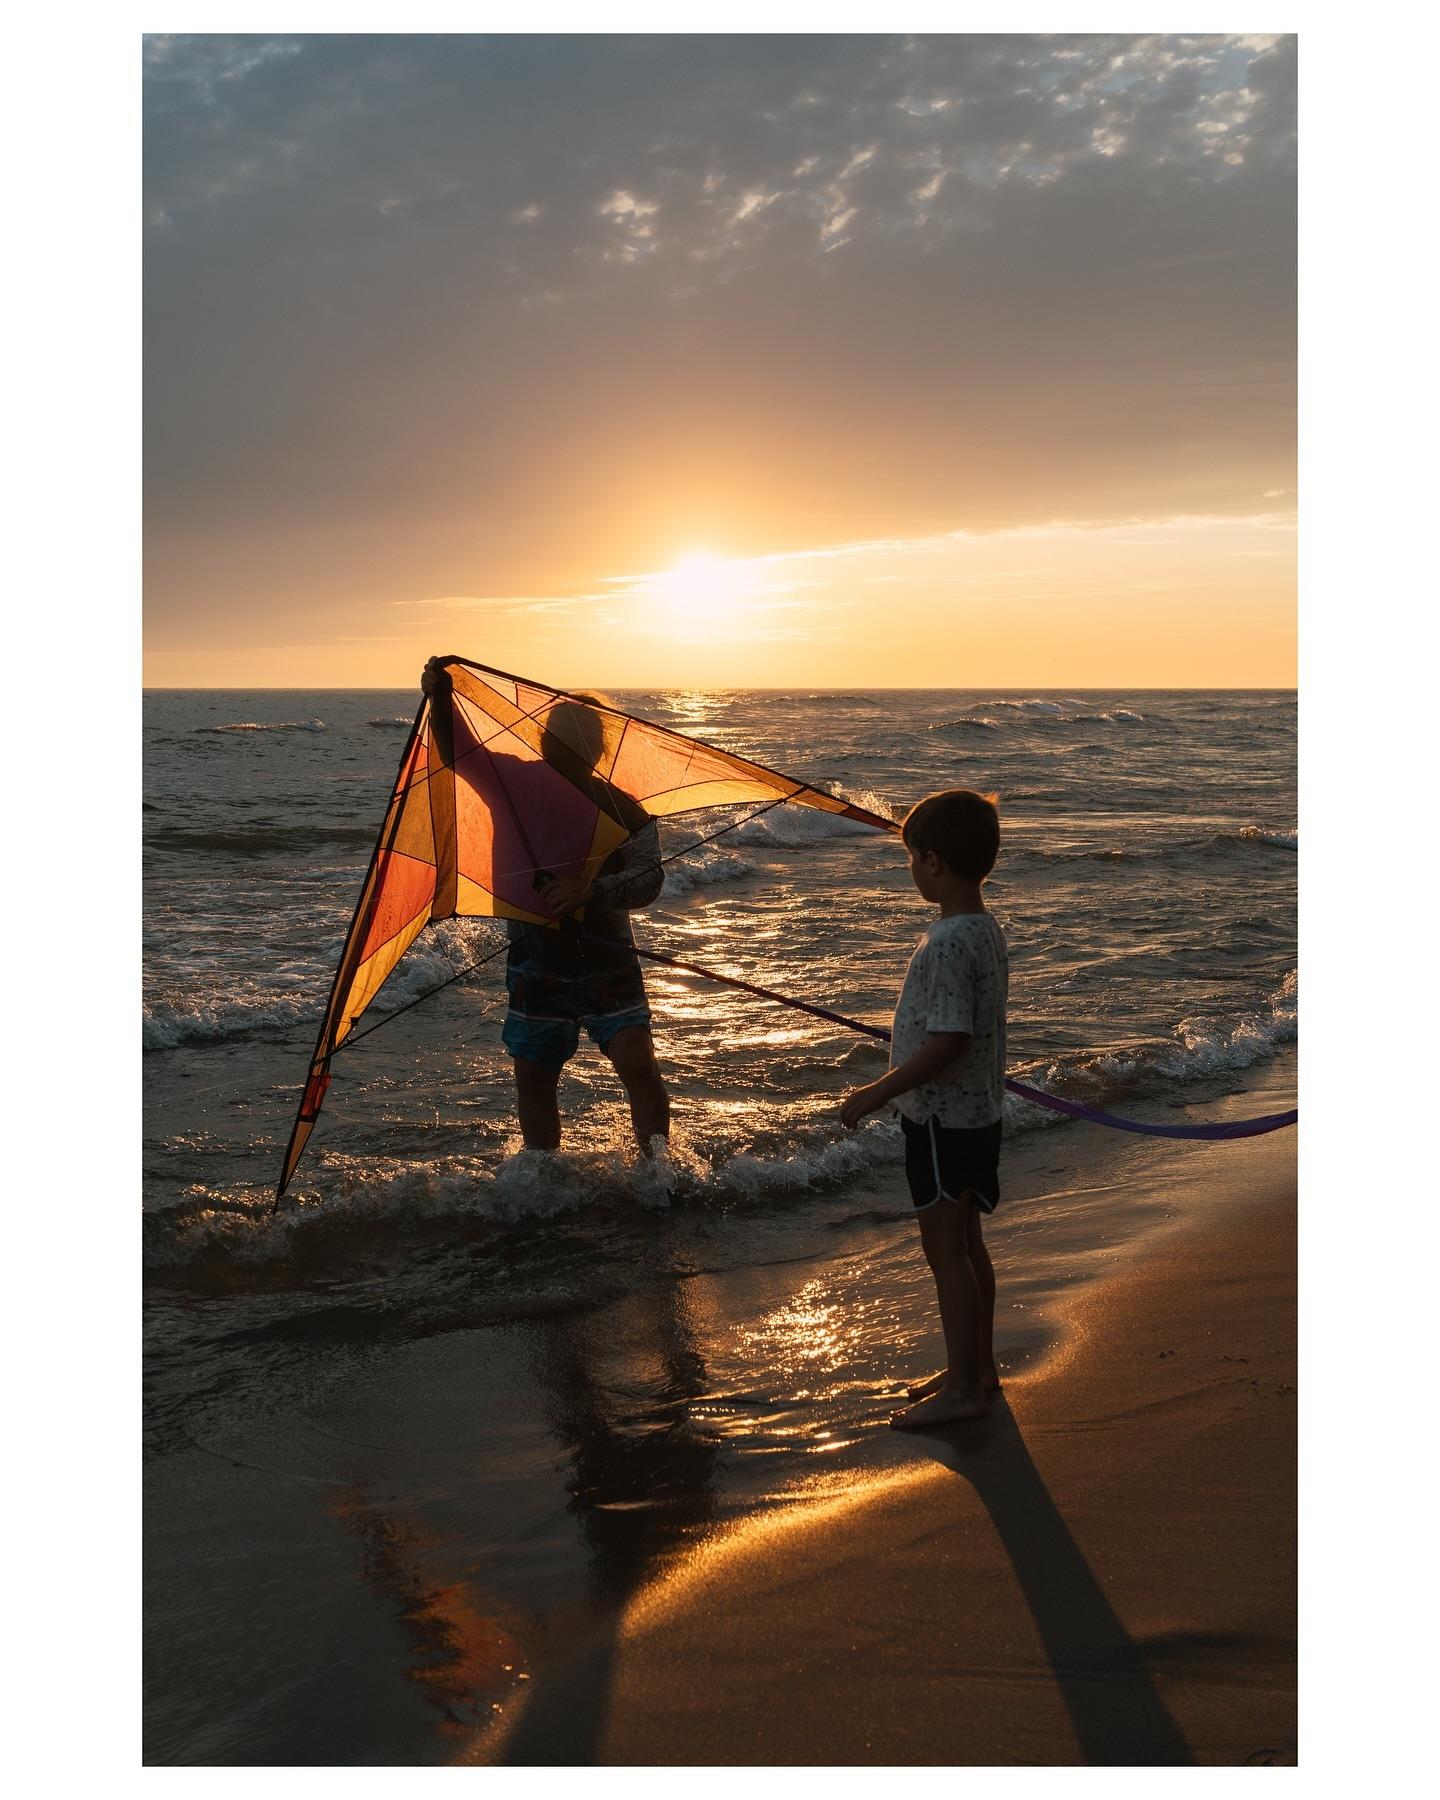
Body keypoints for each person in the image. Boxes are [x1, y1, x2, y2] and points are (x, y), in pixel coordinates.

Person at [420, 658, 671, 1156]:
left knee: (638, 1069)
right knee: (535, 1079)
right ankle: (542, 1175)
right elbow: (459, 752)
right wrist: (440, 695)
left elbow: (651, 877)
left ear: (599, 749)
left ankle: (658, 1171)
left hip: (607, 958)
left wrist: (591, 889)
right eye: (563, 738)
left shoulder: (623, 807)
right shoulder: (512, 784)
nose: (571, 749)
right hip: (536, 960)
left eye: (581, 740)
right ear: (544, 741)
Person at [839, 789, 1009, 1429]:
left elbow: (948, 1041)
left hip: (941, 1119)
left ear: (933, 863)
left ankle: (966, 1386)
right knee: (967, 1243)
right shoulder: (985, 929)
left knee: (945, 1252)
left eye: (912, 857)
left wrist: (875, 1092)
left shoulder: (946, 943)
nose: (911, 868)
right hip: (977, 1113)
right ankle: (977, 1368)